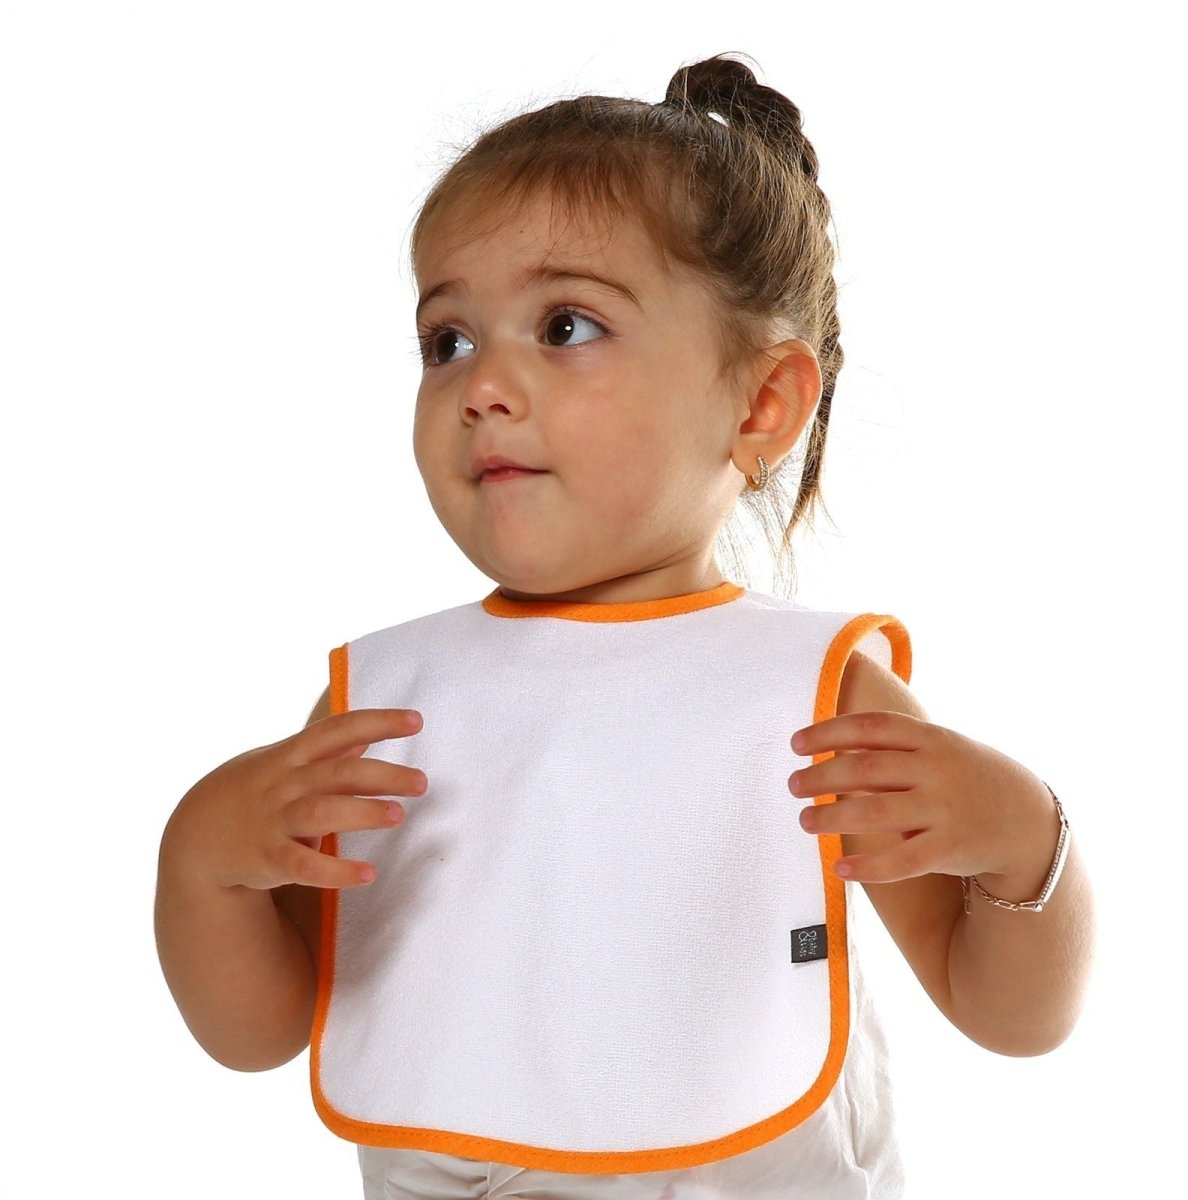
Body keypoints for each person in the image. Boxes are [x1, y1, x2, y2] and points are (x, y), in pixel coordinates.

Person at [154, 51, 1096, 1199]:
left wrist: (1024, 847)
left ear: (761, 404)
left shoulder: (808, 695)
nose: (481, 385)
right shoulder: (395, 704)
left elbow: (1011, 1017)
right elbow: (260, 1030)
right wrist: (202, 864)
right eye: (448, 340)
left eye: (565, 325)